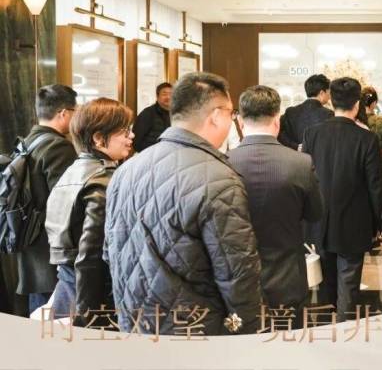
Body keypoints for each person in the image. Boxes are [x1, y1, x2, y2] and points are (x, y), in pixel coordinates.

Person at [105, 72, 262, 335]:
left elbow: (110, 252)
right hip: (197, 330)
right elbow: (236, 274)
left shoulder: (125, 171)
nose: (232, 120)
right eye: (231, 113)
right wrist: (246, 332)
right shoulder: (218, 178)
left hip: (134, 325)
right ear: (216, 116)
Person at [228, 85, 322, 317]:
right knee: (289, 334)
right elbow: (315, 213)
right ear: (277, 120)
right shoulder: (300, 162)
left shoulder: (222, 162)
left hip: (237, 277)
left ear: (240, 122)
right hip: (288, 274)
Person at [302, 77, 382, 321]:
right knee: (349, 283)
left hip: (318, 222)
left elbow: (307, 178)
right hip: (354, 223)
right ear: (357, 105)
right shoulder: (367, 138)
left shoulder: (312, 134)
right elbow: (375, 187)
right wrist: (380, 224)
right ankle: (345, 329)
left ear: (331, 101)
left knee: (325, 283)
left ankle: (328, 327)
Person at [45, 98, 134, 322]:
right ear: (98, 138)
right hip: (91, 293)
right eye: (124, 131)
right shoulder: (103, 180)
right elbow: (90, 256)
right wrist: (90, 316)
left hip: (66, 285)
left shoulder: (73, 170)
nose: (131, 136)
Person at [16, 84, 79, 314]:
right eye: (75, 112)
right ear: (63, 113)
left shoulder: (26, 142)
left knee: (39, 314)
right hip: (50, 250)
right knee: (52, 319)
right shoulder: (58, 146)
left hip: (29, 242)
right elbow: (65, 202)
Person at [278, 74, 333, 150]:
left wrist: (295, 146)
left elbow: (279, 134)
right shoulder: (328, 114)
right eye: (328, 92)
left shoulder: (290, 112)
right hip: (318, 156)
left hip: (294, 155)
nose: (329, 96)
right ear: (322, 93)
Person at [132, 82, 172, 152]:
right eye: (164, 94)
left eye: (171, 94)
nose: (168, 97)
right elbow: (136, 141)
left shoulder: (177, 115)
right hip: (150, 156)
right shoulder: (147, 113)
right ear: (157, 97)